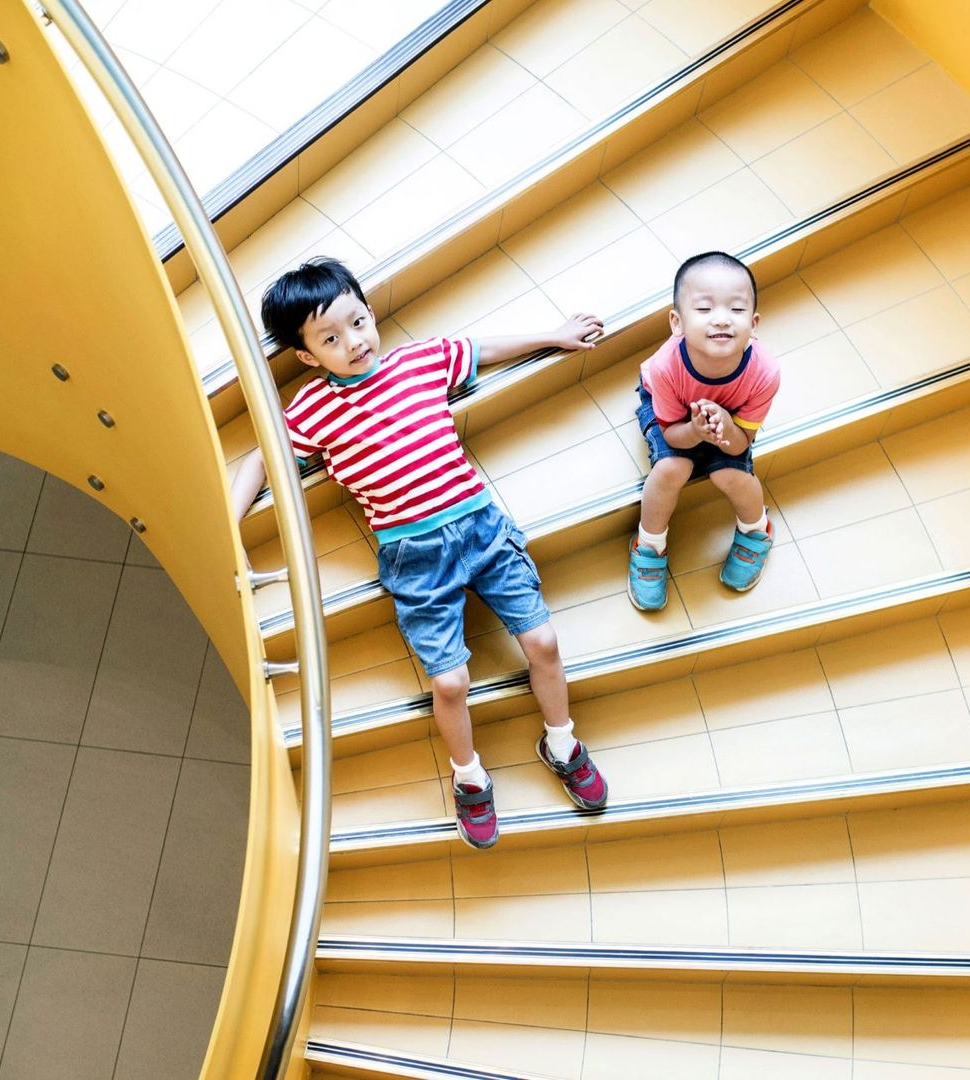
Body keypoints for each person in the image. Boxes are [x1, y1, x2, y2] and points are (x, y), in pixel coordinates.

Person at [230, 257, 608, 849]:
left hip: (480, 528)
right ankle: (469, 778)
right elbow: (262, 457)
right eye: (331, 339)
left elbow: (479, 348)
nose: (354, 342)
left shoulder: (417, 362)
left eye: (358, 322)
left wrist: (555, 334)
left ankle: (562, 742)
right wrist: (231, 520)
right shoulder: (310, 410)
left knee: (543, 641)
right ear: (307, 356)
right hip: (414, 556)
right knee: (451, 682)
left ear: (369, 311)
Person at [628, 251, 781, 611]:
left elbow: (740, 443)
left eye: (737, 310)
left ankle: (757, 528)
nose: (722, 320)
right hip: (674, 416)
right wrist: (696, 431)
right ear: (677, 322)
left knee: (733, 474)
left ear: (754, 323)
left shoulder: (765, 373)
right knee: (671, 468)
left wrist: (726, 427)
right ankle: (649, 544)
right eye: (705, 309)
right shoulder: (666, 368)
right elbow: (671, 435)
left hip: (730, 417)